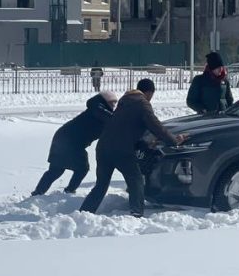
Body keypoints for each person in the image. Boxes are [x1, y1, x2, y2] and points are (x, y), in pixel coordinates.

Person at [80, 79, 186, 217]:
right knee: (136, 180)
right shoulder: (142, 104)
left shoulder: (124, 102)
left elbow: (128, 126)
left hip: (103, 148)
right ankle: (136, 214)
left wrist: (147, 141)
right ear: (149, 92)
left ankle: (84, 213)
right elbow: (155, 126)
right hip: (122, 151)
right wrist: (174, 141)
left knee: (101, 185)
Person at [31, 92, 116, 196]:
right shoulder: (97, 107)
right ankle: (68, 191)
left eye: (115, 102)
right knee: (79, 169)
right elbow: (106, 116)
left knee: (57, 169)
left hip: (65, 138)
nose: (113, 105)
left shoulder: (101, 110)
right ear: (104, 101)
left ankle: (39, 192)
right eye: (111, 102)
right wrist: (118, 118)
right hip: (70, 141)